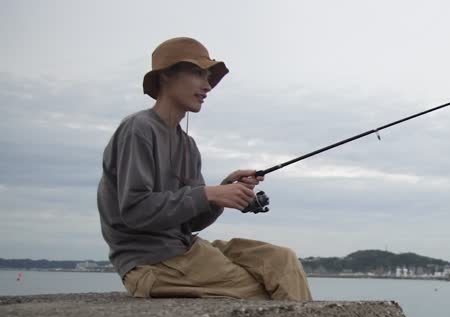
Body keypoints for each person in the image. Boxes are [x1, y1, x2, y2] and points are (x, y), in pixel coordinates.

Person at [97, 37, 312, 301]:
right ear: (166, 76)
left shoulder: (187, 145)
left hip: (184, 250)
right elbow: (134, 211)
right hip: (151, 263)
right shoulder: (139, 129)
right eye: (198, 74)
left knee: (282, 261)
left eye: (208, 77)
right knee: (261, 291)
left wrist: (225, 192)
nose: (207, 85)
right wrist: (209, 194)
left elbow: (192, 221)